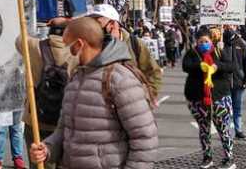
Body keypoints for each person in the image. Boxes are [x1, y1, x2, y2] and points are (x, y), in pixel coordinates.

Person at [29, 17, 158, 169]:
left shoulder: (120, 80)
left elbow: (145, 139)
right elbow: (64, 130)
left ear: (79, 45)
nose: (63, 51)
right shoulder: (75, 77)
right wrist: (47, 149)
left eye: (66, 45)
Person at [16, 17, 77, 169]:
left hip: (36, 118)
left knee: (39, 163)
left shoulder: (34, 46)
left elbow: (18, 39)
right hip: (65, 120)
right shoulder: (77, 52)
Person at [183, 27, 237, 169]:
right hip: (198, 99)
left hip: (219, 98)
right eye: (200, 42)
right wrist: (198, 66)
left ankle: (229, 158)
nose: (203, 44)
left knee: (223, 129)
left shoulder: (218, 51)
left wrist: (216, 66)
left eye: (205, 41)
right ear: (196, 42)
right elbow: (185, 66)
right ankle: (207, 158)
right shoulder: (192, 52)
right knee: (204, 130)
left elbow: (232, 66)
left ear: (210, 40)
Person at [84, 4, 164, 98]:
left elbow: (154, 72)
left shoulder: (134, 44)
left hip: (131, 103)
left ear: (112, 24)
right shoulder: (89, 46)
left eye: (97, 24)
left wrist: (148, 97)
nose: (93, 28)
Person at [224, 27, 246, 141]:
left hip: (238, 82)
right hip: (224, 83)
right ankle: (225, 131)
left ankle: (238, 131)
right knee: (225, 109)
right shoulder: (220, 43)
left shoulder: (242, 44)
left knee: (237, 108)